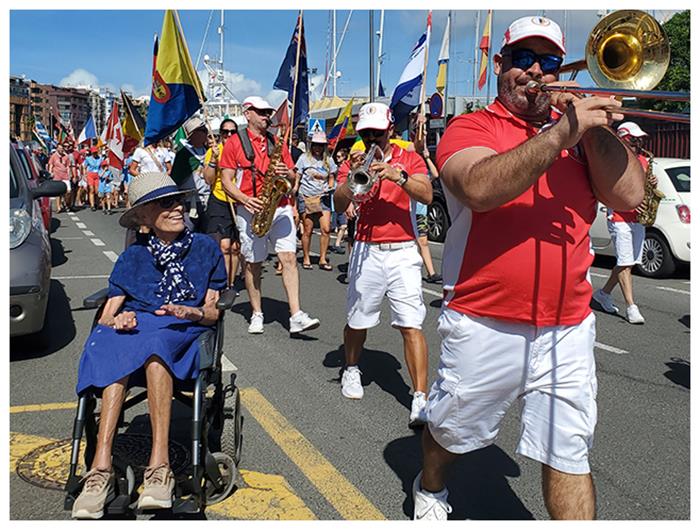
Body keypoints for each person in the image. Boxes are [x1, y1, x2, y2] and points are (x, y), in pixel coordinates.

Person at [412, 16, 645, 520]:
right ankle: (430, 485)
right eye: (522, 58)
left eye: (549, 61)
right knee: (453, 430)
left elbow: (630, 195)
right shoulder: (471, 126)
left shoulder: (581, 135)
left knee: (569, 451)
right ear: (501, 65)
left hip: (569, 326)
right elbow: (477, 186)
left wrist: (592, 131)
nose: (535, 70)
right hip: (484, 318)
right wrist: (563, 132)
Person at [71, 172, 227, 519]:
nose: (177, 207)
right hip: (137, 324)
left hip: (181, 328)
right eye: (165, 203)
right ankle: (100, 471)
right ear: (144, 217)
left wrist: (194, 310)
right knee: (114, 345)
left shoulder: (205, 248)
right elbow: (107, 315)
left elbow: (214, 312)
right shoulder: (133, 257)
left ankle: (160, 468)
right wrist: (117, 320)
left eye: (179, 201)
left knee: (156, 351)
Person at [334, 102, 433, 427]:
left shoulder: (410, 157)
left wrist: (397, 175)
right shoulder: (355, 161)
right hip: (367, 248)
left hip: (403, 249)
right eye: (366, 133)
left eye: (377, 132)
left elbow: (428, 195)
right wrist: (352, 178)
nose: (371, 138)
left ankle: (420, 397)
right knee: (358, 319)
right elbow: (338, 202)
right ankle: (351, 369)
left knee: (410, 324)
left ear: (390, 129)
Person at [219, 96, 320, 335]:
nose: (267, 116)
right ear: (248, 114)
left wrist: (290, 174)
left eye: (268, 113)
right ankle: (257, 312)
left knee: (288, 258)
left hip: (280, 205)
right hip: (251, 207)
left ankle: (296, 315)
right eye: (262, 112)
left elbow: (294, 177)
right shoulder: (235, 142)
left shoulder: (277, 141)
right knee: (253, 262)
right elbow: (226, 181)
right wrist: (245, 200)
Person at [592, 122, 656, 325]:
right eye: (634, 139)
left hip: (637, 218)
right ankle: (631, 306)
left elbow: (646, 190)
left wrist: (652, 185)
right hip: (619, 216)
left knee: (627, 263)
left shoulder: (644, 161)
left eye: (639, 139)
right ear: (622, 138)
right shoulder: (614, 162)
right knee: (625, 262)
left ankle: (603, 294)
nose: (638, 143)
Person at [203, 118, 243, 286]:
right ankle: (224, 284)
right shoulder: (214, 151)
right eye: (225, 132)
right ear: (220, 134)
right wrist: (214, 160)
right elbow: (208, 179)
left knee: (236, 248)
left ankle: (232, 282)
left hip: (239, 201)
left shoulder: (241, 150)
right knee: (224, 246)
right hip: (219, 200)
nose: (228, 135)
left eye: (232, 132)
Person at [295, 131, 337, 271]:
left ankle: (322, 258)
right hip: (306, 196)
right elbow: (298, 175)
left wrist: (331, 186)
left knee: (326, 228)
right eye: (316, 145)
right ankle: (306, 257)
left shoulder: (328, 160)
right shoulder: (303, 158)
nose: (318, 148)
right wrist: (295, 188)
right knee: (308, 229)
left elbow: (331, 175)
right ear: (311, 146)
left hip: (323, 196)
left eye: (321, 145)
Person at [412, 114, 442, 284]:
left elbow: (435, 175)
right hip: (406, 211)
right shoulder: (406, 158)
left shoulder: (422, 162)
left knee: (423, 240)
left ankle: (431, 273)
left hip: (420, 211)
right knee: (409, 244)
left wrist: (427, 157)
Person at [170, 116, 210, 231]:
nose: (206, 133)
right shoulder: (184, 154)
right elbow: (176, 178)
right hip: (189, 201)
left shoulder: (208, 151)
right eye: (202, 130)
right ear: (193, 134)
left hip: (207, 199)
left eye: (205, 130)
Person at [47, 142, 71, 212]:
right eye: (59, 148)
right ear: (57, 148)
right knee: (58, 192)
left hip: (65, 175)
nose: (61, 149)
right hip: (57, 175)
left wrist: (69, 174)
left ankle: (65, 203)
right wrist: (50, 173)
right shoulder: (54, 156)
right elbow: (51, 165)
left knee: (68, 191)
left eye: (62, 148)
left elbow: (68, 166)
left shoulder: (66, 156)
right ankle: (58, 207)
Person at [83, 147, 103, 211]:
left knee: (97, 191)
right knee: (92, 189)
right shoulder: (88, 159)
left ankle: (97, 203)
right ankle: (92, 205)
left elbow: (102, 166)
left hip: (97, 175)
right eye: (94, 152)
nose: (95, 154)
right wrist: (84, 175)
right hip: (90, 174)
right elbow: (84, 167)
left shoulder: (100, 158)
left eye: (96, 152)